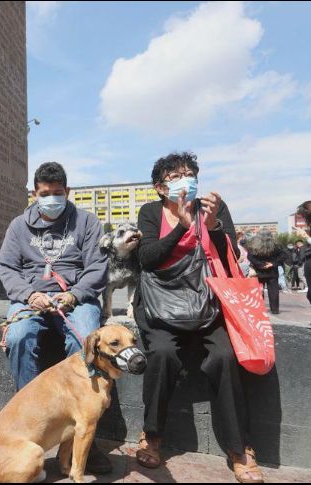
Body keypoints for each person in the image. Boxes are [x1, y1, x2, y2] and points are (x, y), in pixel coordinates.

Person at [133, 152, 263, 483]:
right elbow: (147, 258)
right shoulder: (150, 212)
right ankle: (152, 435)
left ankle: (240, 447)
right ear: (160, 187)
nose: (185, 180)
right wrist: (181, 226)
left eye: (190, 174)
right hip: (161, 304)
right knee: (162, 353)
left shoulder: (213, 209)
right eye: (175, 176)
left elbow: (231, 255)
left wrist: (214, 225)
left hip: (208, 304)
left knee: (225, 356)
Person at [0, 161, 111, 474]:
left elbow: (97, 268)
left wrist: (74, 294)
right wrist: (29, 294)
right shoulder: (18, 226)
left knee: (85, 339)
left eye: (57, 193)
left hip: (75, 298)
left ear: (67, 191)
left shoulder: (87, 222)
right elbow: (7, 267)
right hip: (31, 298)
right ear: (34, 194)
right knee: (18, 336)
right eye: (45, 193)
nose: (51, 199)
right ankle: (28, 421)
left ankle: (83, 432)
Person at [246, 231, 284, 315]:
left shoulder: (253, 245)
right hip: (272, 271)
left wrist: (260, 264)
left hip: (259, 271)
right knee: (273, 291)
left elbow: (250, 257)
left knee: (259, 290)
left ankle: (259, 308)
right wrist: (272, 264)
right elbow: (283, 256)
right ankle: (274, 309)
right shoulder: (276, 246)